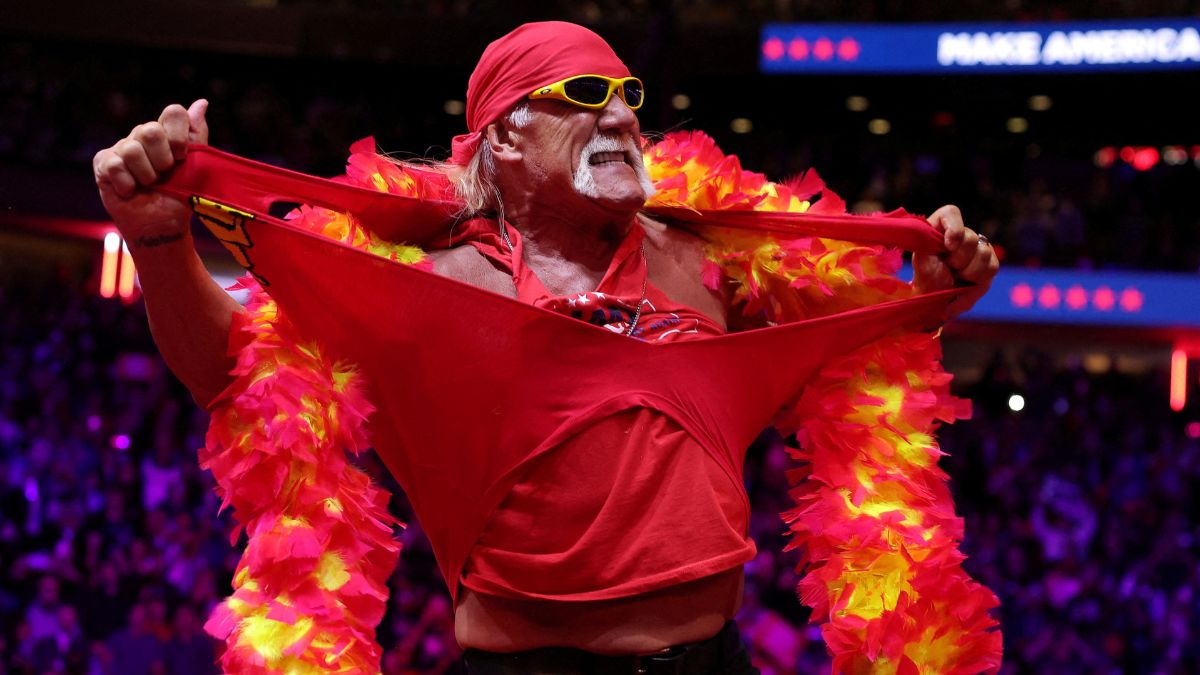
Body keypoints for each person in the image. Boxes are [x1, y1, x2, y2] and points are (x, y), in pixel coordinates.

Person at [93, 21, 998, 674]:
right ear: (505, 139)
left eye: (628, 98)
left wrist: (936, 291)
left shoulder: (708, 260)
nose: (618, 118)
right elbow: (237, 378)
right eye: (580, 96)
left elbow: (862, 362)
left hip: (709, 661)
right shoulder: (431, 279)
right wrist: (162, 241)